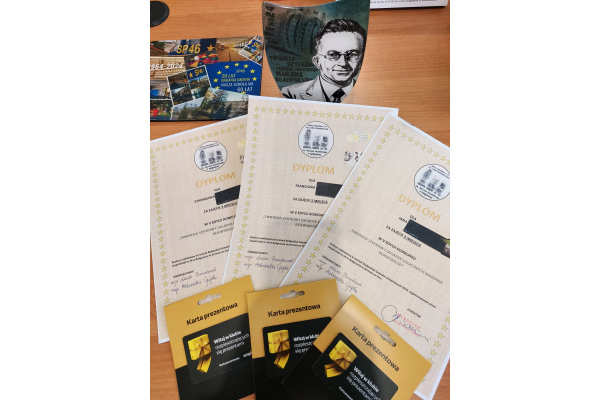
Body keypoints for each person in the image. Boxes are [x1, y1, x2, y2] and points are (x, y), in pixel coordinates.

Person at [281, 18, 366, 102]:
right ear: (317, 61)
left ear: (361, 60)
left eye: (352, 55)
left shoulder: (368, 94)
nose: (343, 63)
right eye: (332, 55)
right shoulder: (290, 94)